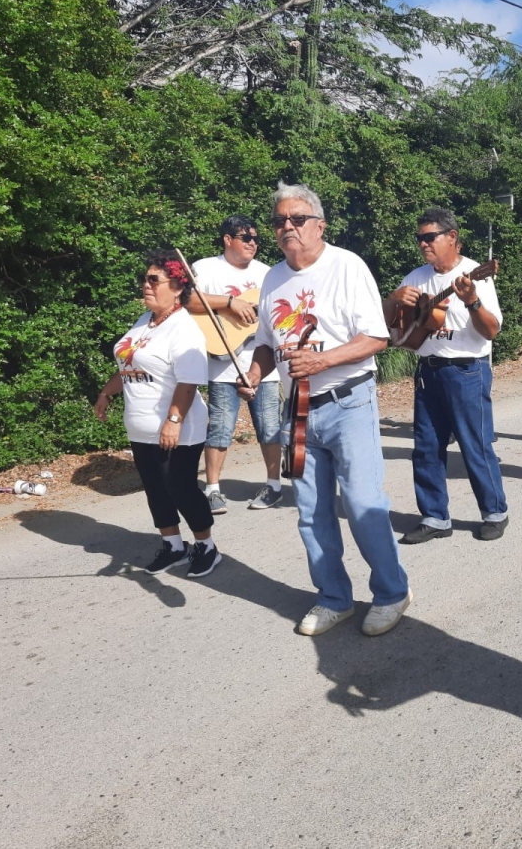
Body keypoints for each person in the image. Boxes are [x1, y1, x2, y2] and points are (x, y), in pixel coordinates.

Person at [244, 182, 411, 637]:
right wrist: (256, 373)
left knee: (362, 503)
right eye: (279, 221)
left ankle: (392, 592)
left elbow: (376, 337)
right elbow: (265, 343)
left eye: (297, 219)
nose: (287, 227)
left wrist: (321, 359)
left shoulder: (346, 266)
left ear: (319, 225)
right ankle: (334, 597)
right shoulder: (273, 278)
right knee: (311, 512)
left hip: (348, 402)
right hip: (295, 411)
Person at [385, 207, 509, 544]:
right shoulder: (415, 277)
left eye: (429, 237)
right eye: (419, 238)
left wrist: (471, 301)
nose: (423, 244)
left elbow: (491, 331)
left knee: (475, 446)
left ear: (452, 237)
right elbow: (390, 324)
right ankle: (435, 517)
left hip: (467, 370)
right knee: (426, 448)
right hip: (427, 371)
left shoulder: (474, 273)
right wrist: (394, 300)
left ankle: (494, 512)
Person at [94, 252, 219, 577]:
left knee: (180, 487)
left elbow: (189, 382)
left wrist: (173, 421)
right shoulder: (144, 322)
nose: (146, 285)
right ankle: (174, 546)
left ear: (177, 287)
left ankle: (206, 546)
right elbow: (128, 365)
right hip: (141, 425)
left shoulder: (184, 329)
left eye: (154, 280)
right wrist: (107, 393)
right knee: (155, 487)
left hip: (179, 426)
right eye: (145, 279)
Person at [188, 215, 283, 513]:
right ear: (228, 240)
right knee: (219, 427)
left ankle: (274, 485)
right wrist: (231, 303)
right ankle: (213, 489)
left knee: (269, 427)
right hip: (222, 362)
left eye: (256, 238)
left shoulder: (268, 273)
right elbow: (188, 299)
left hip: (262, 364)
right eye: (246, 238)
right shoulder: (205, 267)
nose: (253, 243)